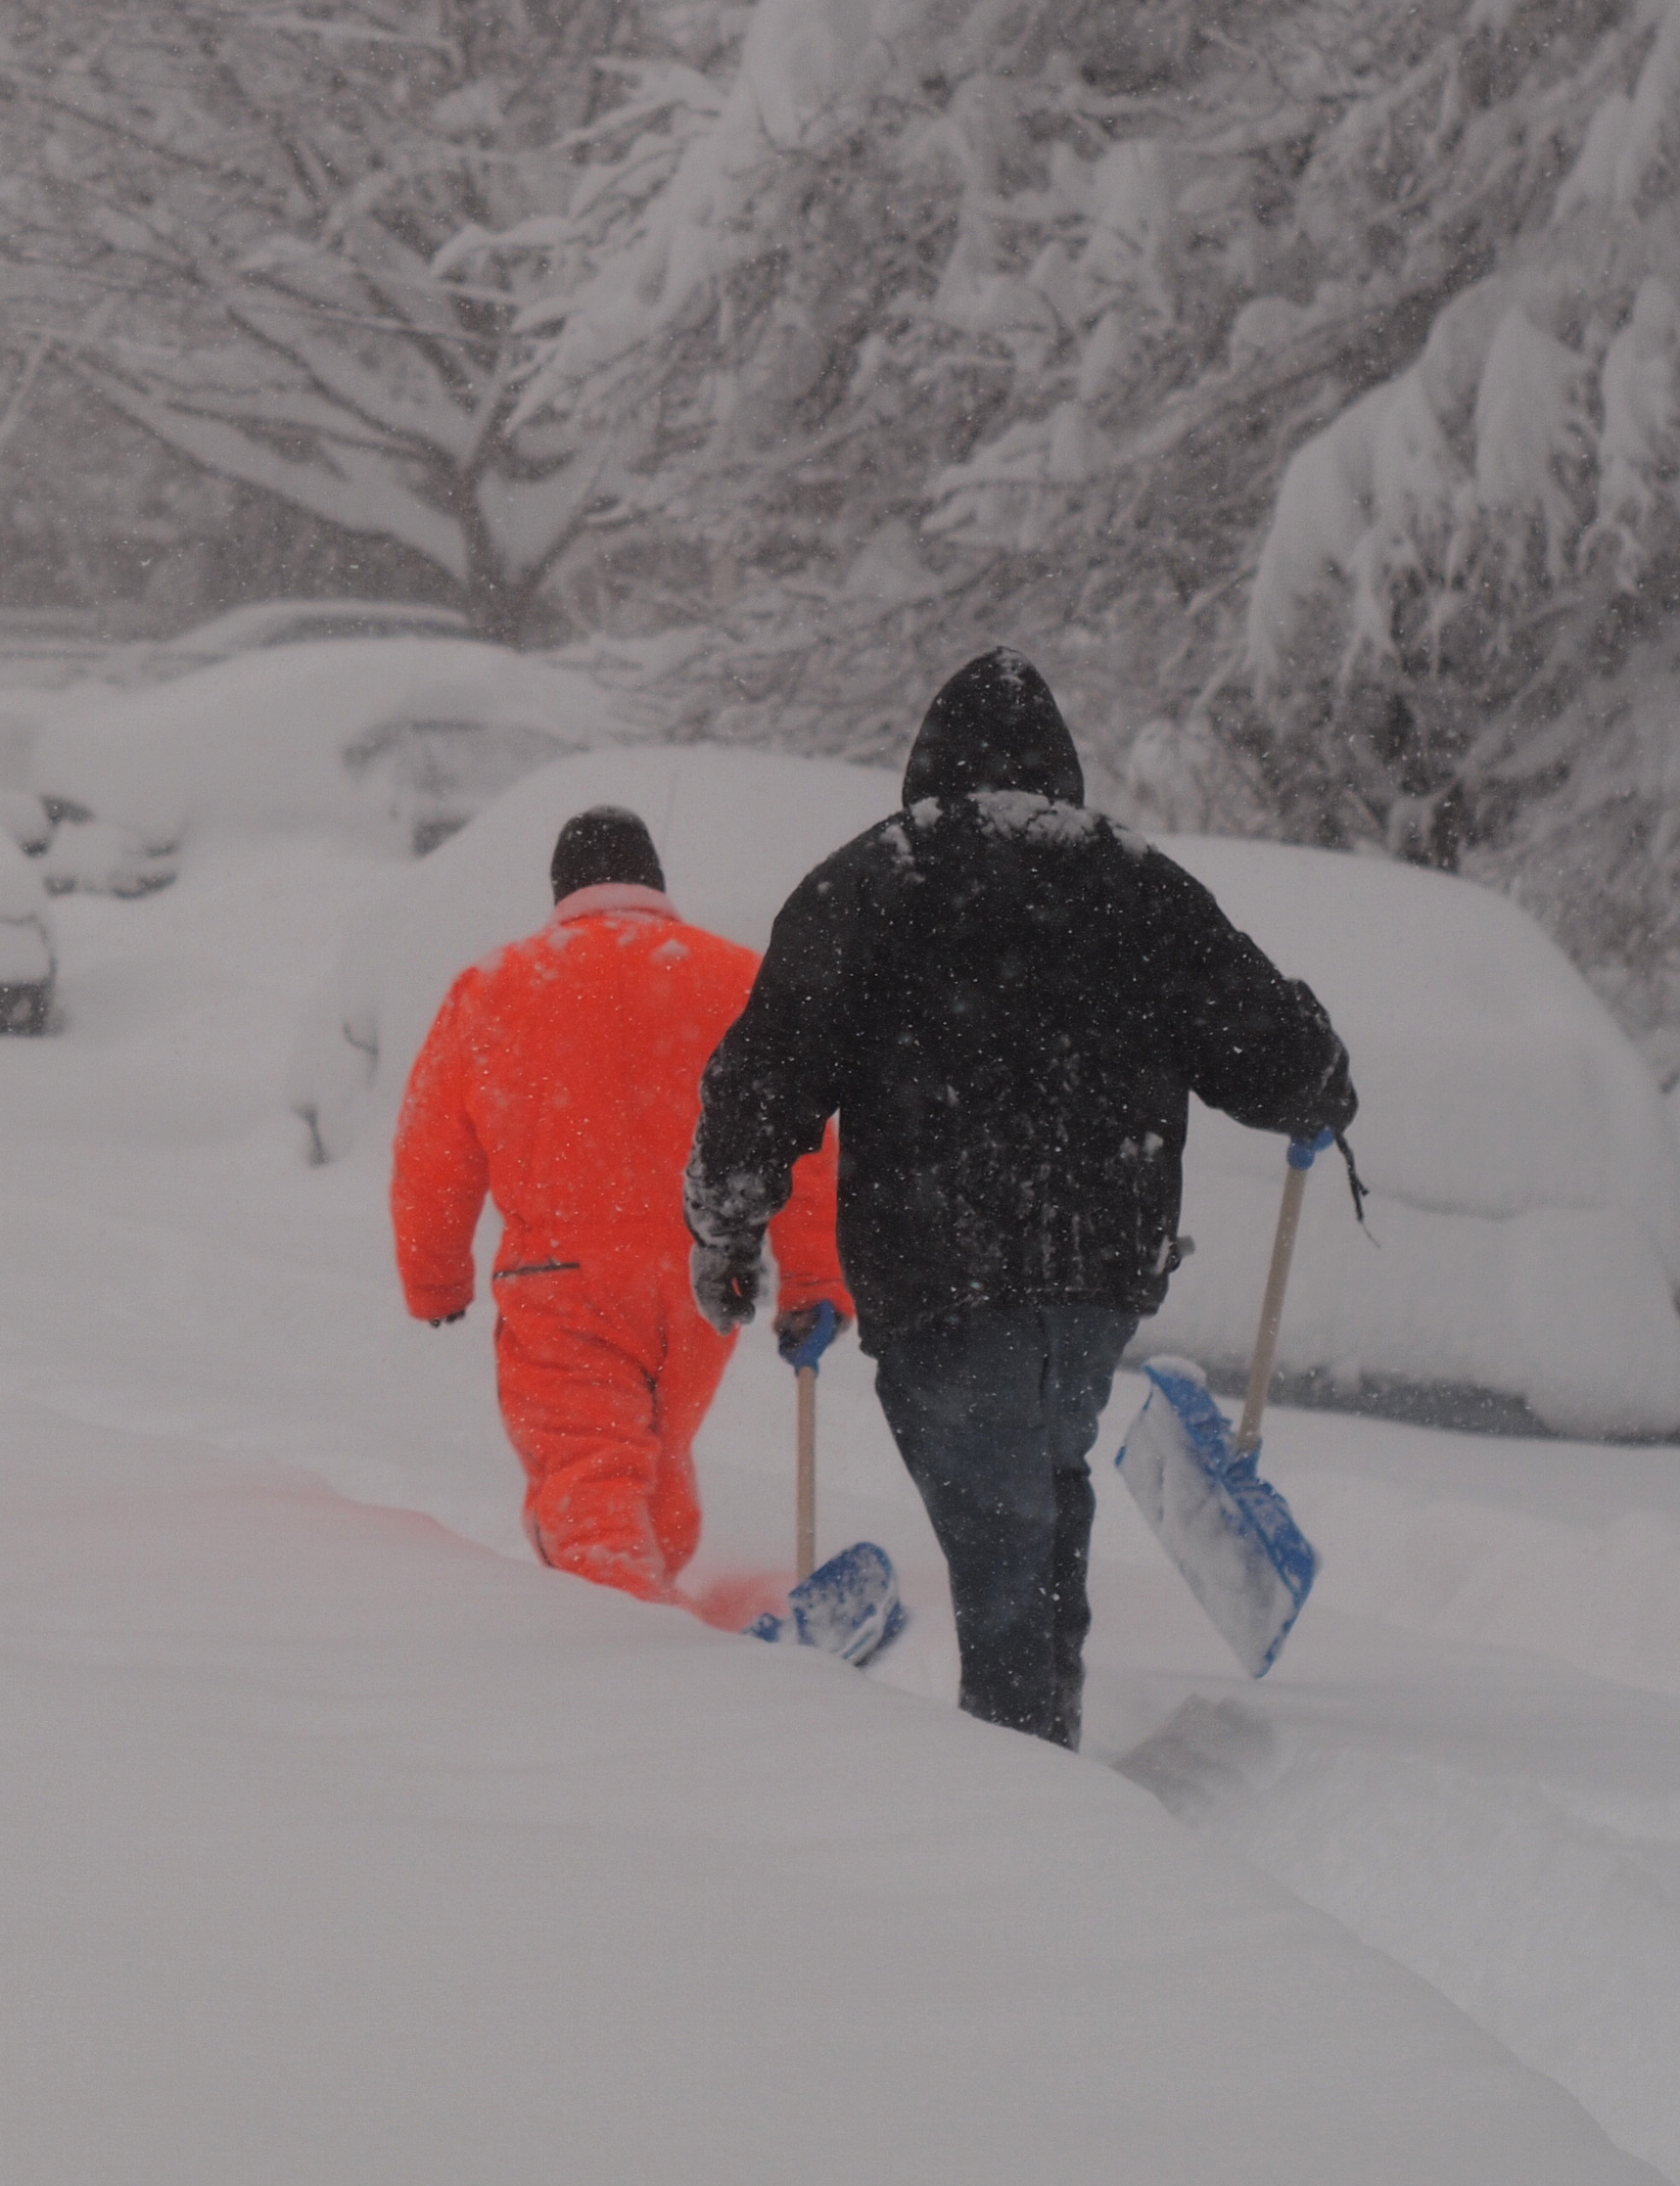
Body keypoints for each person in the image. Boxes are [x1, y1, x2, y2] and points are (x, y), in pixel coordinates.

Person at [683, 649, 1354, 1748]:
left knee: (1000, 1525)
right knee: (1038, 1486)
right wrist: (1319, 1078)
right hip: (1097, 1268)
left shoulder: (873, 881)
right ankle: (1047, 1744)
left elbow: (765, 1076)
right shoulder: (1137, 884)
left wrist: (727, 1224)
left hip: (937, 1265)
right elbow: (1267, 1045)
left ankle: (1023, 1783)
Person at [394, 806, 844, 1605]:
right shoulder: (736, 977)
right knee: (656, 1459)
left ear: (562, 890)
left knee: (591, 1474)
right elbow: (803, 1144)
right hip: (703, 1276)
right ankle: (666, 1616)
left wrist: (436, 1280)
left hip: (562, 1281)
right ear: (653, 882)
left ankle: (626, 1646)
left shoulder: (496, 987)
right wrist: (815, 1280)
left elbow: (432, 1152)